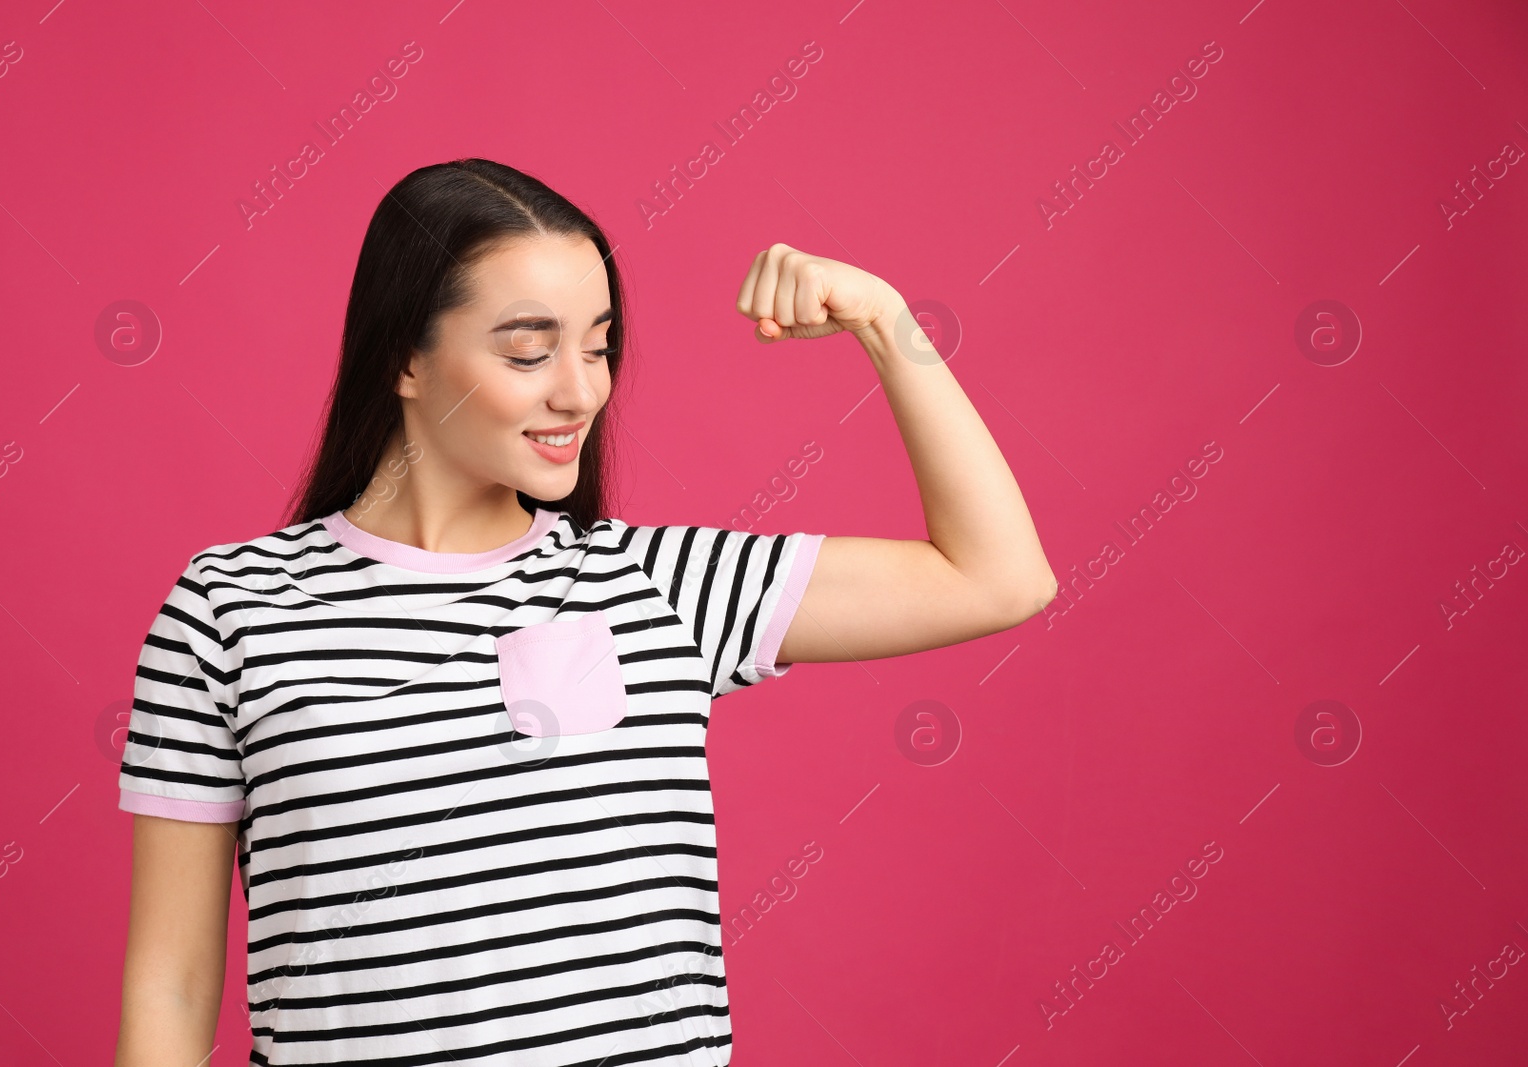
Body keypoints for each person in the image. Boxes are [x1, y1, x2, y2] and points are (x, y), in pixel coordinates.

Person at [113, 158, 1057, 1066]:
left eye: (599, 346)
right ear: (404, 357)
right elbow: (173, 984)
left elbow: (998, 577)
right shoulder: (228, 611)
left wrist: (887, 322)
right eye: (529, 348)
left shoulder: (657, 584)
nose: (580, 390)